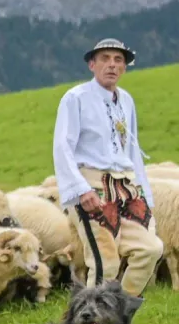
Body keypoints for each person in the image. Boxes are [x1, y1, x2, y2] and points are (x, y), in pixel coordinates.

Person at [53, 38, 163, 295]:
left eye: (118, 60)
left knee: (150, 249)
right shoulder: (75, 98)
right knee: (105, 263)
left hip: (125, 186)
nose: (112, 65)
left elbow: (132, 149)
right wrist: (81, 189)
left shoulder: (126, 100)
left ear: (124, 67)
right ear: (92, 64)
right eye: (105, 59)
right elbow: (63, 146)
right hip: (92, 185)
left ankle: (117, 317)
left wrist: (144, 195)